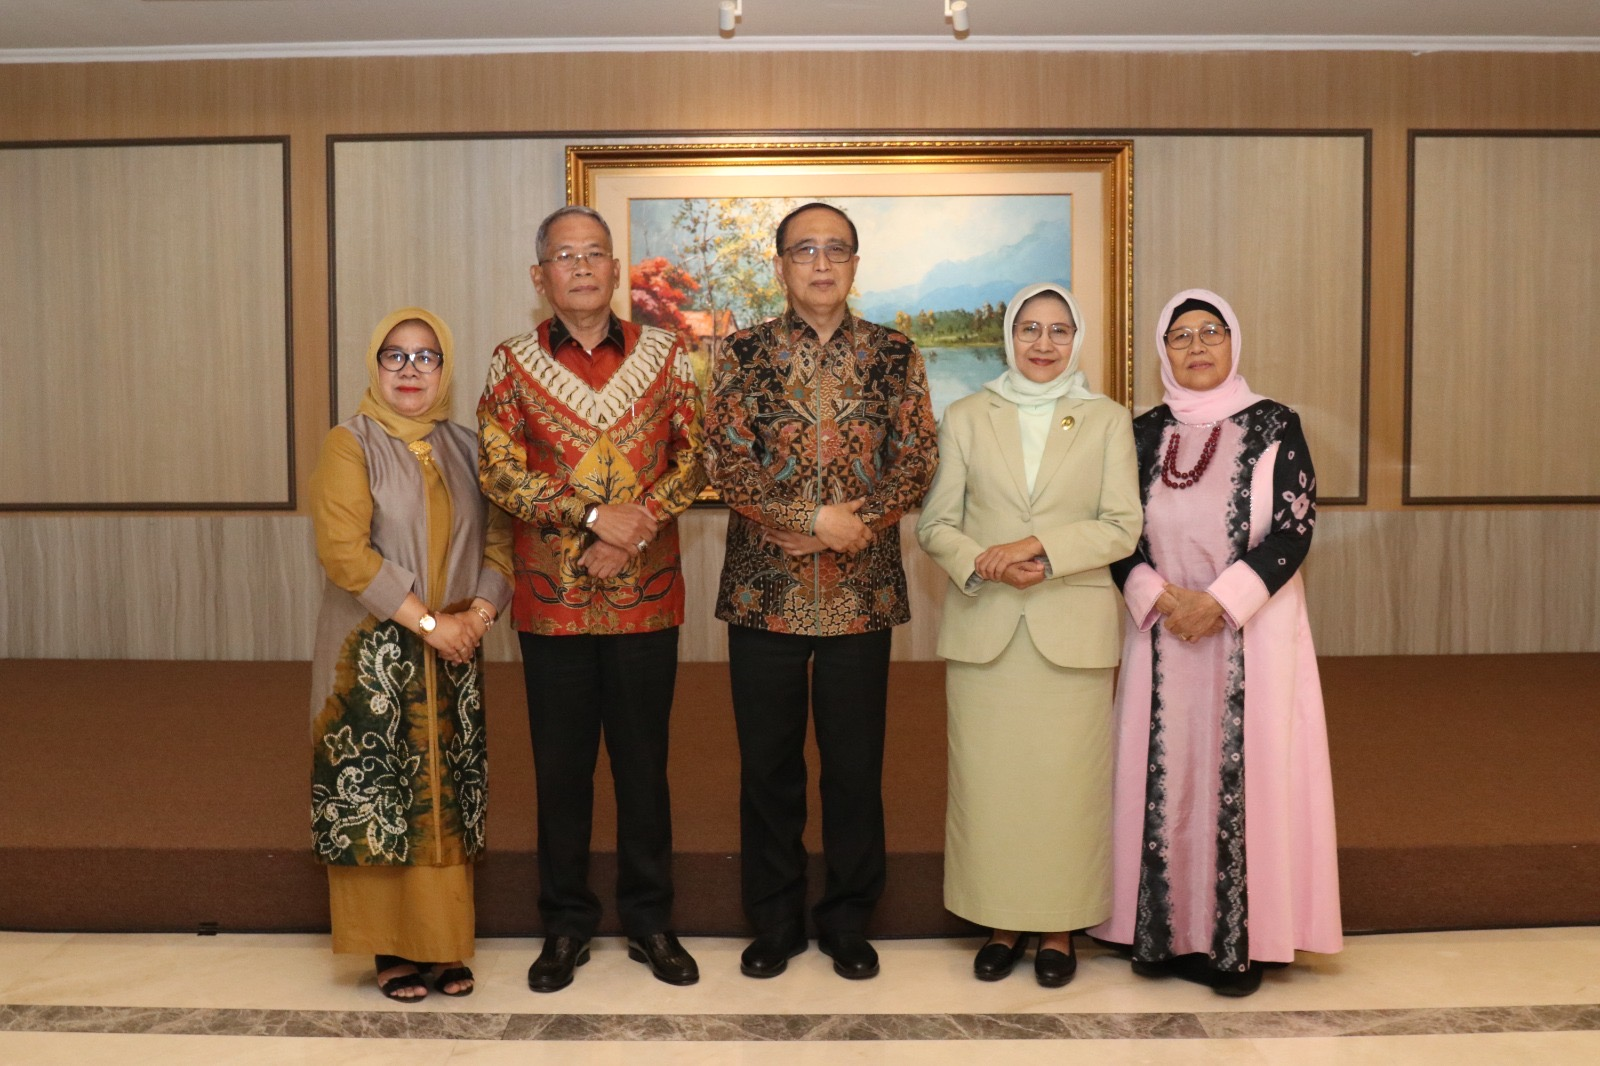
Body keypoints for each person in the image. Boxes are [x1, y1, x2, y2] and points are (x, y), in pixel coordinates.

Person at [705, 202, 938, 981]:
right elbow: (725, 461)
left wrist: (851, 526)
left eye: (836, 249)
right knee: (767, 767)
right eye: (804, 250)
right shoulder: (741, 353)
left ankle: (847, 920)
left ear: (855, 265)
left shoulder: (895, 354)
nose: (821, 263)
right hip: (763, 593)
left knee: (854, 767)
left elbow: (918, 460)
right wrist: (808, 518)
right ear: (780, 266)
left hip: (861, 592)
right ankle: (773, 921)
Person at [477, 205, 707, 993]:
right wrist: (590, 517)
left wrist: (630, 531)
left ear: (615, 270)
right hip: (552, 605)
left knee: (645, 768)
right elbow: (497, 470)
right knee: (561, 771)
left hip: (647, 596)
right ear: (539, 276)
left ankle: (650, 920)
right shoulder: (510, 365)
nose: (581, 267)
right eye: (564, 256)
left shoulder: (669, 356)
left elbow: (695, 458)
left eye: (595, 254)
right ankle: (565, 924)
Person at [1089, 288, 1343, 996]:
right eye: (1181, 336)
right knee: (1169, 775)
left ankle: (1242, 942)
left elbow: (1294, 528)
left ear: (1233, 342)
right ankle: (1164, 933)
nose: (1196, 346)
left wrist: (1221, 603)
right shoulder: (1140, 434)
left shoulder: (1275, 424)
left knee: (1246, 777)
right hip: (1163, 630)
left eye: (1210, 332)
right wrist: (1157, 595)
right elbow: (1116, 531)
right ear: (1162, 352)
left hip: (1252, 633)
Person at [917, 283, 1141, 987]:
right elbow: (935, 524)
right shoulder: (966, 415)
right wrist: (981, 562)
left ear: (1077, 339)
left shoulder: (1108, 420)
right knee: (991, 787)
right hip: (986, 628)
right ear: (1009, 336)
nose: (1044, 344)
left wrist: (1037, 549)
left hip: (1070, 631)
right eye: (1030, 329)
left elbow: (1122, 525)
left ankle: (1058, 928)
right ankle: (1000, 921)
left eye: (1059, 330)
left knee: (1066, 788)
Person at [308, 307, 513, 1001]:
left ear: (443, 369)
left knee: (444, 792)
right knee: (378, 793)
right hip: (372, 651)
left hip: (455, 647)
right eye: (394, 355)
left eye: (426, 357)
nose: (410, 370)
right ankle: (390, 947)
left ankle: (443, 943)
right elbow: (344, 551)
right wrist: (428, 622)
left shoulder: (467, 446)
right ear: (376, 365)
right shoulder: (350, 443)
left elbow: (501, 542)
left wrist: (477, 615)